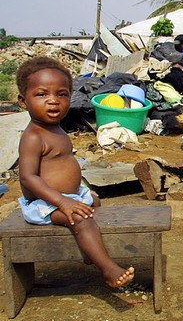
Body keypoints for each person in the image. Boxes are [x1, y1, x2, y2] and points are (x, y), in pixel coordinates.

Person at [16, 57, 135, 288]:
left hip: (69, 196)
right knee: (81, 218)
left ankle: (90, 250)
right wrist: (63, 202)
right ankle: (108, 269)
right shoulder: (33, 136)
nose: (53, 101)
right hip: (45, 203)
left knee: (94, 202)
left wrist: (74, 197)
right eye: (42, 95)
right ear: (23, 101)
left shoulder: (56, 128)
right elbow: (28, 178)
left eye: (61, 94)